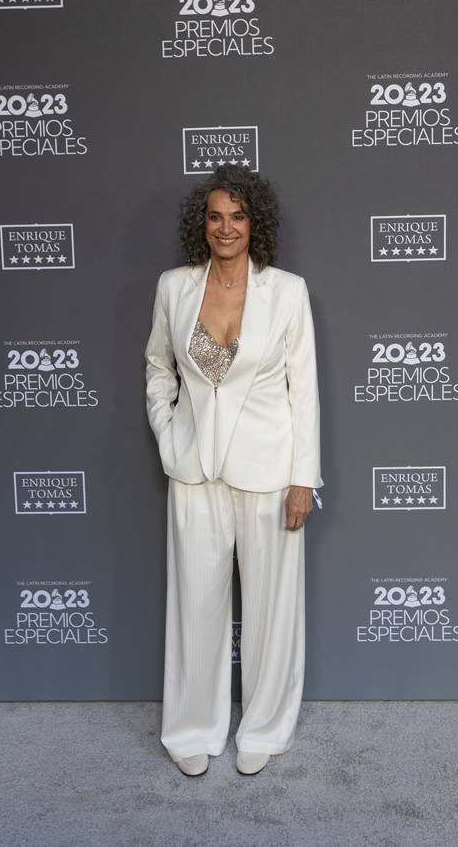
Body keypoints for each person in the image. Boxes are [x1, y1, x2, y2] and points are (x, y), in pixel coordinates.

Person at [144, 165, 323, 777]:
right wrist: (169, 436)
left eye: (238, 216)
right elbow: (158, 368)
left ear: (256, 225)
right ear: (204, 222)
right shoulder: (174, 287)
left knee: (272, 608)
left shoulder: (288, 291)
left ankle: (266, 728)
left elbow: (306, 392)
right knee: (195, 606)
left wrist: (305, 478)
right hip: (194, 467)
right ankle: (193, 727)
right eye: (216, 216)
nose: (226, 227)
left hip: (270, 470)